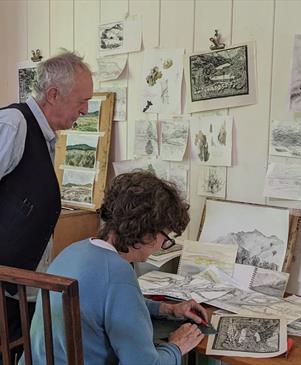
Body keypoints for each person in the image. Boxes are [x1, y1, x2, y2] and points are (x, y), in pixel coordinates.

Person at [24, 171, 207, 364]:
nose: (164, 245)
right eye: (167, 237)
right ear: (147, 231)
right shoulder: (118, 276)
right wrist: (176, 347)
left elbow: (104, 306)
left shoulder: (72, 252)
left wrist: (167, 309)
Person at [0, 51, 93, 360]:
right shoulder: (14, 124)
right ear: (54, 94)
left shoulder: (45, 136)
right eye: (82, 100)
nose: (86, 109)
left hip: (18, 286)